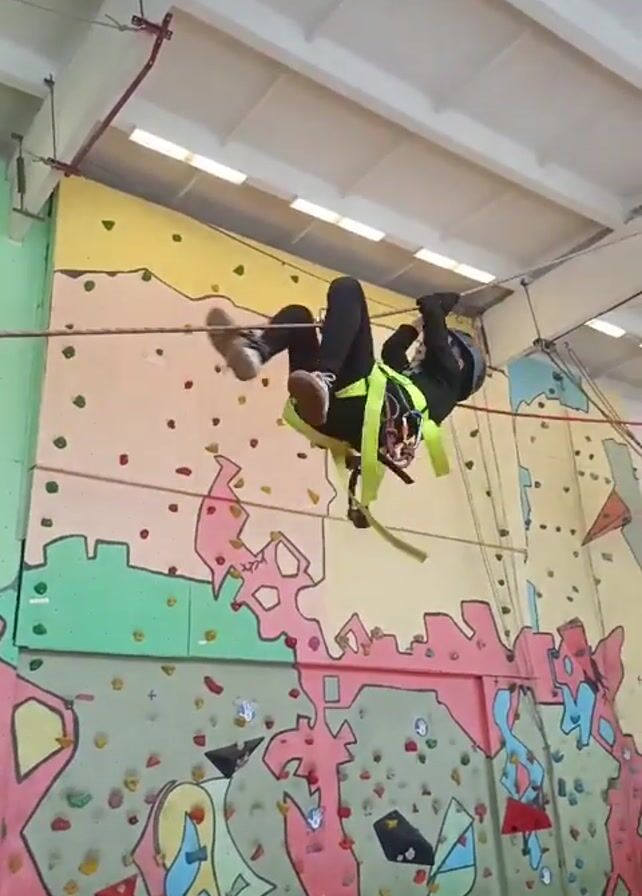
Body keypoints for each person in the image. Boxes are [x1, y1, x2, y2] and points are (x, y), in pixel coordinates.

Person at [206, 276, 486, 543]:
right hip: (337, 414)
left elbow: (436, 336)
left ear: (460, 363)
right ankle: (255, 352)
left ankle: (324, 380)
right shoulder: (410, 380)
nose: (422, 347)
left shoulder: (448, 385)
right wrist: (421, 320)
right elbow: (393, 348)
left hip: (361, 407)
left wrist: (438, 308)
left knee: (348, 288)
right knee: (298, 316)